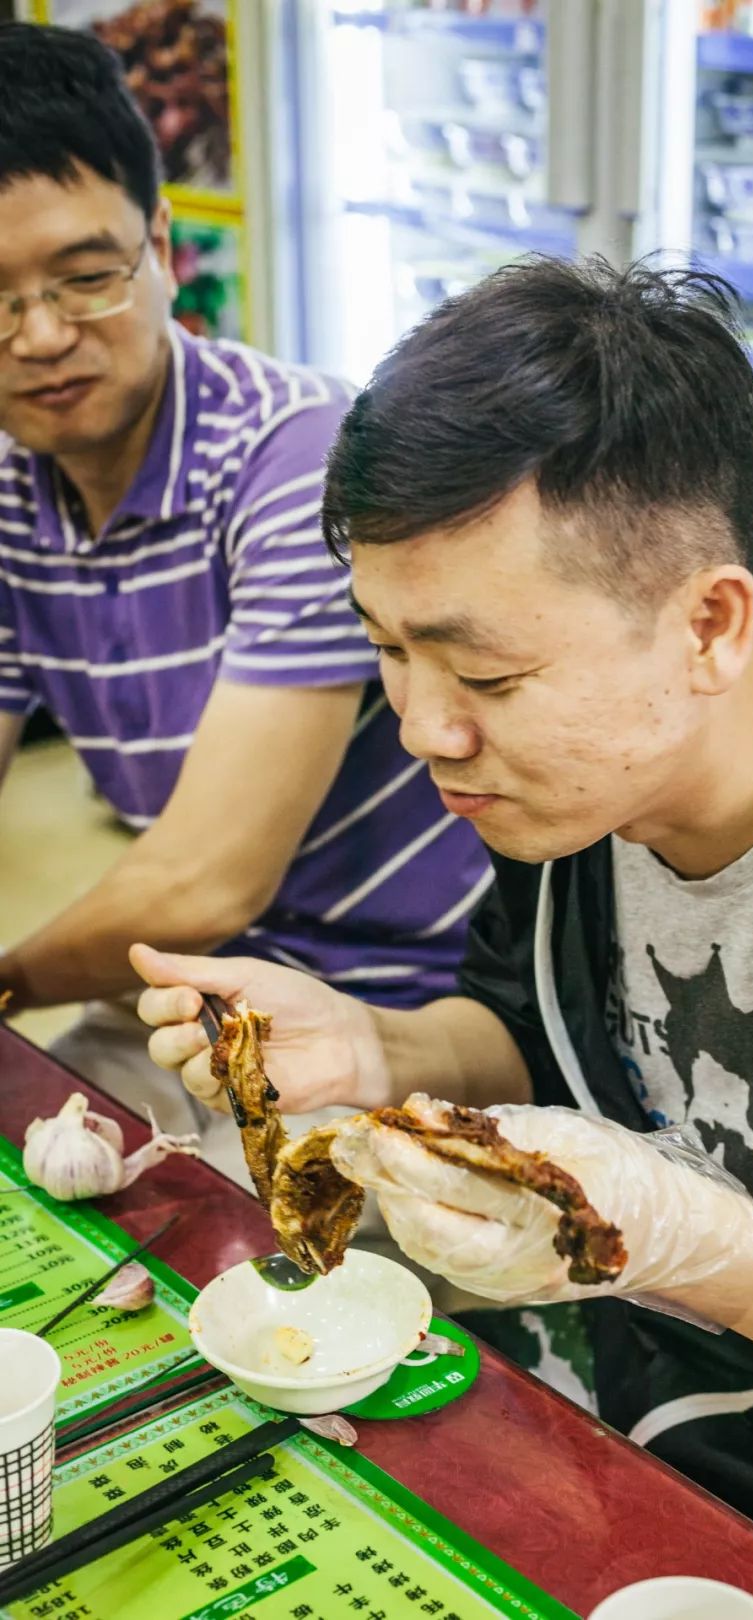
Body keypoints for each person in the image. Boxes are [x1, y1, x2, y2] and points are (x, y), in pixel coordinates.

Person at [134, 257, 753, 1619]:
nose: (423, 729)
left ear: (709, 624)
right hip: (622, 1426)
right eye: (389, 652)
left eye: (485, 676)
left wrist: (703, 1243)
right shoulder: (577, 770)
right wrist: (374, 1049)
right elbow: (529, 1028)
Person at [0, 24, 489, 1179]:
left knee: (216, 1298)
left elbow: (208, 881)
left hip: (395, 1018)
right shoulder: (12, 490)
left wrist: (9, 978)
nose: (43, 337)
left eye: (86, 276)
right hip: (188, 1000)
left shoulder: (297, 457)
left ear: (163, 243)